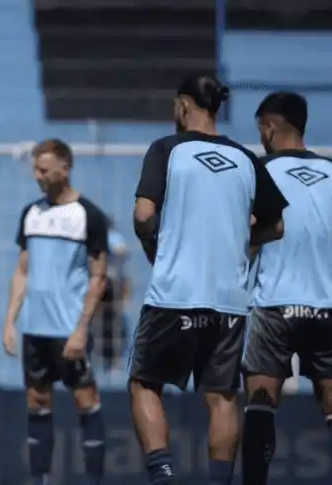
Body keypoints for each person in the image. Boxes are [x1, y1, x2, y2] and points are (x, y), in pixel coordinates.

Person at [129, 74, 288, 485]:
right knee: (221, 397)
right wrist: (238, 239)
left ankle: (163, 476)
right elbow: (276, 228)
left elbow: (144, 214)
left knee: (145, 384)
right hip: (229, 300)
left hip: (175, 293)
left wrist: (153, 246)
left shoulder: (167, 148)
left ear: (183, 105)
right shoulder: (246, 158)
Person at [1, 139, 108, 485]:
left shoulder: (88, 216)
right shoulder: (31, 214)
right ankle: (40, 480)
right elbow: (22, 270)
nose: (37, 176)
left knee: (86, 399)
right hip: (35, 328)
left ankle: (94, 480)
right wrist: (9, 321)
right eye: (35, 169)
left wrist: (81, 329)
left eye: (43, 170)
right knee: (37, 401)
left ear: (65, 168)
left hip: (68, 330)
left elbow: (98, 277)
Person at [242, 92, 332, 484]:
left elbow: (244, 233)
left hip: (274, 305)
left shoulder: (257, 172)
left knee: (261, 403)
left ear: (269, 128)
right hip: (327, 304)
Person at [99, 221, 131, 374]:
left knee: (115, 323)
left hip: (111, 283)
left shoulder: (113, 238)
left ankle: (114, 360)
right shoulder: (109, 237)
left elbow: (121, 255)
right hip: (105, 283)